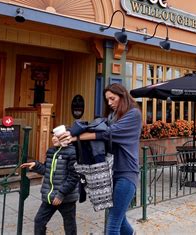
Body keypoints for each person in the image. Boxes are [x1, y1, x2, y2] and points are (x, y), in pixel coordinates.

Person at [58, 83, 142, 235]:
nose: (109, 103)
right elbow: (95, 127)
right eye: (107, 100)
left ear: (122, 96)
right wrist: (67, 134)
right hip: (110, 173)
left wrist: (75, 137)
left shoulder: (134, 114)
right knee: (119, 219)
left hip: (127, 173)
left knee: (112, 225)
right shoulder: (113, 116)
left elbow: (108, 133)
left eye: (112, 98)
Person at [20, 136, 79, 235]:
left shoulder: (73, 152)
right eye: (53, 136)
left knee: (69, 225)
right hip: (50, 196)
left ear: (65, 138)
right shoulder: (51, 151)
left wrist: (61, 194)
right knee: (39, 221)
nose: (53, 138)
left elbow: (73, 177)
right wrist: (36, 165)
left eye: (57, 136)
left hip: (65, 198)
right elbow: (46, 170)